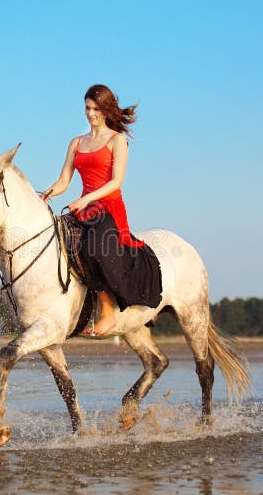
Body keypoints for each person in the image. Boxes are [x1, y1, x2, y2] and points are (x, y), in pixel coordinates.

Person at [41, 84, 162, 336]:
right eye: (87, 107)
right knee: (56, 242)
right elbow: (64, 181)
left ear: (106, 110)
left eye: (96, 108)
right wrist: (45, 194)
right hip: (84, 207)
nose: (90, 113)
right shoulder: (76, 142)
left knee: (94, 248)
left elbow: (116, 182)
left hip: (107, 206)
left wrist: (86, 200)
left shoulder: (117, 140)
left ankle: (107, 312)